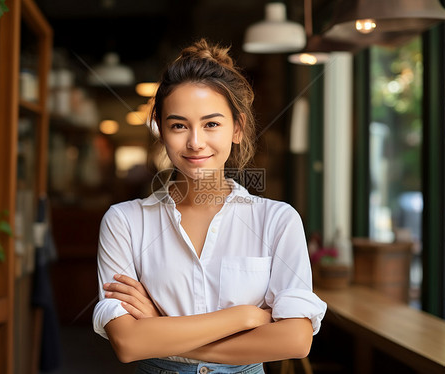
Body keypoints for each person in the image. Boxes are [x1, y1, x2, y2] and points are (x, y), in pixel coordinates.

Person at [93, 39, 327, 374]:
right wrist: (243, 317)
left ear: (237, 128)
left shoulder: (276, 220)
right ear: (160, 130)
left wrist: (162, 329)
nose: (195, 142)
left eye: (211, 124)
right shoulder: (124, 222)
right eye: (178, 125)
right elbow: (128, 344)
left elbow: (295, 340)